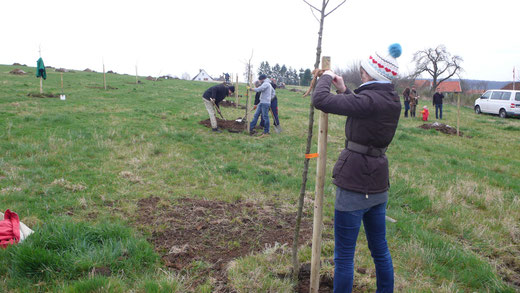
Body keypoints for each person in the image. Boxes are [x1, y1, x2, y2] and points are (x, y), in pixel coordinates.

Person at [312, 43, 402, 293]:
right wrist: (344, 90)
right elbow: (363, 108)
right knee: (380, 249)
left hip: (354, 184)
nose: (362, 73)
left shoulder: (370, 99)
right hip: (377, 185)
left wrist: (327, 77)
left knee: (343, 257)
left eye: (365, 70)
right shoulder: (390, 99)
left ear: (374, 74)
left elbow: (320, 100)